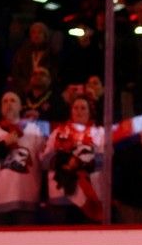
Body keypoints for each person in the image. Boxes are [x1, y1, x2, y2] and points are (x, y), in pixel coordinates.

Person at [0, 91, 44, 225]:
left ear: (20, 107)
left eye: (13, 101)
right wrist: (3, 145)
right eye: (5, 101)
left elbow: (45, 159)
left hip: (26, 202)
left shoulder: (34, 130)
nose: (8, 104)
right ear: (1, 108)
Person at [40, 94, 105, 223]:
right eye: (75, 108)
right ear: (71, 111)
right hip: (60, 196)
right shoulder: (57, 132)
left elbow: (105, 160)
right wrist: (65, 161)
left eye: (83, 108)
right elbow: (44, 161)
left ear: (90, 111)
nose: (79, 111)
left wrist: (80, 163)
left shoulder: (99, 132)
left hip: (90, 196)